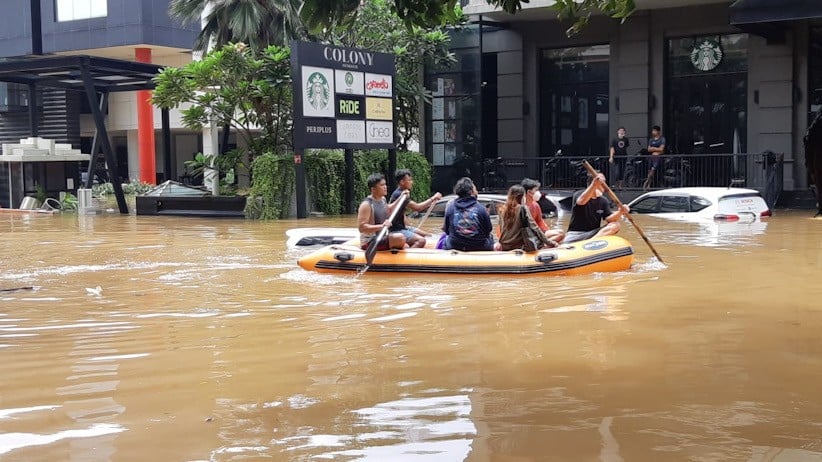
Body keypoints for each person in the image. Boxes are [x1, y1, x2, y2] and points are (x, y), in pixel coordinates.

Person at [565, 172, 629, 244]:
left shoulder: (603, 200)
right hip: (575, 234)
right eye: (602, 182)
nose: (605, 185)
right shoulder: (579, 194)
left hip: (593, 235)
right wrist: (594, 185)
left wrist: (620, 212)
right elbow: (581, 201)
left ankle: (591, 243)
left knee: (615, 225)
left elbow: (609, 219)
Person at [389, 169, 443, 248]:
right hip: (396, 230)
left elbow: (402, 213)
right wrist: (433, 198)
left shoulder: (402, 192)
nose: (412, 182)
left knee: (428, 235)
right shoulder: (400, 194)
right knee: (421, 240)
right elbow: (418, 207)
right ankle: (409, 258)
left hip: (403, 228)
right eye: (409, 180)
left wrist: (407, 227)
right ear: (402, 182)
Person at [497, 185, 558, 251]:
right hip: (519, 246)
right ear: (522, 197)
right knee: (542, 244)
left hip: (504, 245)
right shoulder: (522, 209)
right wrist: (549, 242)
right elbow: (534, 227)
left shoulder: (502, 209)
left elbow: (501, 229)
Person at [357, 173, 408, 251]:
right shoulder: (367, 205)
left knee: (406, 245)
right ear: (373, 189)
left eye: (385, 184)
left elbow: (389, 209)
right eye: (382, 185)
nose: (385, 187)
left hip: (382, 237)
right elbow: (362, 228)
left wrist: (400, 198)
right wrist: (382, 226)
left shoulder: (383, 199)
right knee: (400, 238)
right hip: (370, 242)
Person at [442, 177, 494, 251]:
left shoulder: (450, 208)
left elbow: (447, 230)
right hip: (479, 246)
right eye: (475, 189)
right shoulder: (481, 209)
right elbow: (488, 230)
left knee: (446, 239)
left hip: (455, 245)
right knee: (491, 237)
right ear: (471, 192)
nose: (477, 192)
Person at [520, 178, 565, 243]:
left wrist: (545, 231)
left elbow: (540, 221)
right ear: (529, 192)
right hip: (526, 234)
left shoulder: (535, 205)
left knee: (561, 233)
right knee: (560, 234)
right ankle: (542, 245)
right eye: (536, 190)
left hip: (537, 233)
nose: (538, 192)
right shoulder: (520, 207)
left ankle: (542, 245)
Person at [643, 125, 666, 190]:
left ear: (658, 131)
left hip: (658, 158)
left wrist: (653, 148)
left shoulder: (662, 139)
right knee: (649, 170)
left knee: (653, 169)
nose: (653, 132)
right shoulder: (651, 140)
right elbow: (649, 149)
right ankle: (648, 185)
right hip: (652, 157)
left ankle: (647, 181)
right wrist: (656, 149)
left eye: (654, 131)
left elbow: (661, 149)